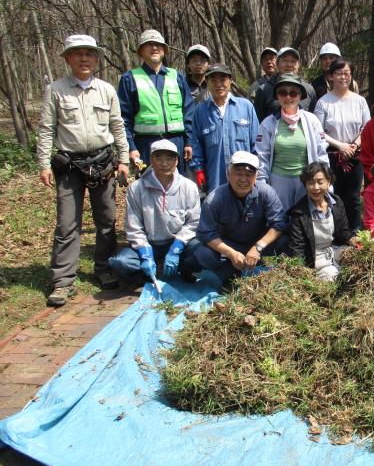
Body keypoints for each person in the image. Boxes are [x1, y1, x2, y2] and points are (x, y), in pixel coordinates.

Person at [37, 34, 130, 306]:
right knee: (67, 223)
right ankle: (63, 281)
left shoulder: (106, 90)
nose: (84, 58)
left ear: (96, 58)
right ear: (68, 58)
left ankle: (105, 268)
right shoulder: (56, 90)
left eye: (89, 53)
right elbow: (46, 129)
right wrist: (44, 163)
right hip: (69, 166)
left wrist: (123, 159)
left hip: (102, 162)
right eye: (78, 53)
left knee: (107, 220)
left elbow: (117, 126)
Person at [108, 140, 201, 282]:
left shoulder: (188, 187)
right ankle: (150, 273)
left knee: (204, 251)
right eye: (159, 158)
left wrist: (176, 248)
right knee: (121, 262)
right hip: (149, 244)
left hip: (177, 243)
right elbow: (133, 227)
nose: (164, 164)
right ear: (151, 160)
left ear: (176, 161)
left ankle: (181, 269)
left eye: (169, 158)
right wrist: (145, 254)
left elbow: (193, 223)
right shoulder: (137, 188)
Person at [196, 151, 288, 285]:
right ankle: (230, 276)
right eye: (238, 173)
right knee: (203, 253)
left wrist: (258, 247)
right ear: (228, 174)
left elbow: (279, 223)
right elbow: (206, 234)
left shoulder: (266, 192)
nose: (243, 179)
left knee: (286, 241)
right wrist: (231, 253)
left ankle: (276, 275)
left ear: (256, 176)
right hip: (229, 245)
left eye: (248, 174)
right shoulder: (214, 199)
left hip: (258, 243)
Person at [117, 29, 194, 175]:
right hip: (146, 146)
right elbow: (124, 119)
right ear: (140, 51)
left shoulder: (177, 77)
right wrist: (131, 147)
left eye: (158, 44)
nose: (154, 48)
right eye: (149, 44)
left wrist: (189, 141)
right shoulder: (130, 79)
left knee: (177, 190)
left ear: (164, 50)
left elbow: (188, 112)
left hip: (176, 143)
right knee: (148, 191)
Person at [255, 74, 329, 211]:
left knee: (304, 220)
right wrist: (261, 183)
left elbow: (321, 153)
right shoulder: (268, 123)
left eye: (293, 93)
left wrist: (325, 181)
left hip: (306, 181)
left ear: (300, 96)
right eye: (283, 93)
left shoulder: (312, 121)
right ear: (277, 96)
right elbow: (262, 156)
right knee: (280, 220)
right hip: (278, 181)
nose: (288, 97)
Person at [313, 58, 370, 232]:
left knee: (353, 197)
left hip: (354, 155)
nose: (343, 77)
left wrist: (353, 145)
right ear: (331, 76)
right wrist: (340, 146)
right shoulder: (323, 102)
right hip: (332, 155)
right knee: (333, 194)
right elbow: (318, 130)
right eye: (338, 73)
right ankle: (335, 231)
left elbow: (366, 127)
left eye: (347, 73)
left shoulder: (360, 101)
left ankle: (354, 231)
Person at [190, 63, 260, 194]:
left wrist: (257, 172)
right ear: (206, 82)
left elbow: (256, 144)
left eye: (222, 79)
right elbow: (196, 145)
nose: (218, 84)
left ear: (230, 80)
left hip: (245, 178)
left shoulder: (246, 106)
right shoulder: (200, 111)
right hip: (215, 178)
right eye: (213, 80)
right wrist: (199, 170)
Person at [288, 162, 359, 281]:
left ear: (329, 182)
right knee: (334, 277)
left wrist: (351, 239)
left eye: (320, 182)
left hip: (335, 249)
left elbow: (342, 231)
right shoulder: (299, 213)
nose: (315, 187)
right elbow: (297, 247)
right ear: (305, 185)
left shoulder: (336, 202)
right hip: (317, 257)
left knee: (358, 263)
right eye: (310, 182)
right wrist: (300, 271)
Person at [253, 47, 317, 121]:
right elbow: (258, 122)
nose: (289, 65)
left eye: (293, 61)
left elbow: (313, 120)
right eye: (285, 60)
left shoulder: (308, 89)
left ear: (298, 65)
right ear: (277, 63)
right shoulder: (264, 90)